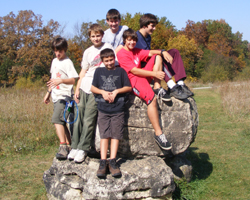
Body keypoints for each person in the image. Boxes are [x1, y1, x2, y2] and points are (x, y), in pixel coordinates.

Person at [117, 28, 173, 150]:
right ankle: (159, 134)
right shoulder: (121, 53)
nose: (132, 43)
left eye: (134, 40)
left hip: (143, 76)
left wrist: (163, 52)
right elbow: (134, 71)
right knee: (152, 100)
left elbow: (150, 53)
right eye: (129, 40)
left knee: (157, 56)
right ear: (125, 40)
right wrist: (154, 75)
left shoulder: (136, 50)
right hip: (133, 80)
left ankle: (157, 87)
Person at [67, 24, 116, 163]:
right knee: (78, 118)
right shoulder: (88, 51)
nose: (96, 38)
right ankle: (75, 146)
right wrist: (77, 89)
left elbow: (112, 67)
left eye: (98, 35)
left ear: (102, 35)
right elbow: (83, 71)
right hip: (84, 87)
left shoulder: (108, 47)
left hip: (98, 88)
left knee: (89, 119)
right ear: (89, 37)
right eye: (93, 36)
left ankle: (83, 148)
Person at [91, 48, 132, 178]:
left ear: (114, 58)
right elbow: (92, 87)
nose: (109, 62)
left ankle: (113, 161)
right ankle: (103, 162)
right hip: (103, 109)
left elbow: (128, 87)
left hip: (118, 109)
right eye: (106, 60)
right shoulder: (98, 71)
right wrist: (102, 92)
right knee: (104, 135)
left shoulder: (120, 71)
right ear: (102, 61)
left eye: (111, 59)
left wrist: (116, 91)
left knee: (115, 135)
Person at [135, 13, 194, 98]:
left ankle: (180, 83)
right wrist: (161, 52)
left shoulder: (148, 37)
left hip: (152, 61)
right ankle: (172, 86)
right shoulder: (135, 37)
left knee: (174, 52)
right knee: (157, 57)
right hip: (144, 69)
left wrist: (163, 52)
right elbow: (144, 55)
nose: (154, 28)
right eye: (152, 26)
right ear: (144, 26)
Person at [43, 37, 78, 160]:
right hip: (56, 96)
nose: (57, 53)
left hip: (65, 97)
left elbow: (73, 79)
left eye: (60, 51)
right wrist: (48, 92)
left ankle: (62, 146)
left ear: (65, 50)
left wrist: (62, 80)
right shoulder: (54, 61)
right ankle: (69, 146)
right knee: (62, 122)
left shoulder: (67, 62)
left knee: (57, 119)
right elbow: (53, 79)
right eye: (55, 51)